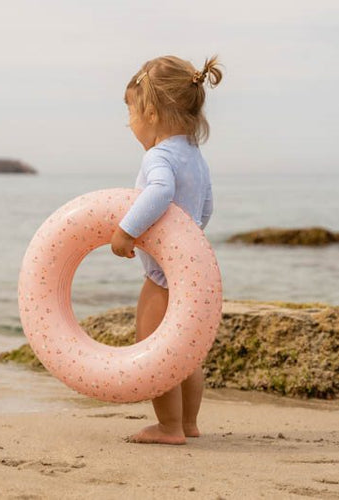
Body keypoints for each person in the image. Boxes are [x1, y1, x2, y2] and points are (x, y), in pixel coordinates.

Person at [110, 55, 223, 445]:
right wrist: (187, 238)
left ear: (152, 113)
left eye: (130, 113)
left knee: (155, 347)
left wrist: (127, 230)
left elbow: (159, 191)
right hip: (192, 271)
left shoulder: (158, 157)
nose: (129, 124)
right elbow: (206, 207)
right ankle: (189, 422)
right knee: (187, 351)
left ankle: (169, 427)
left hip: (161, 275)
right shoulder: (195, 156)